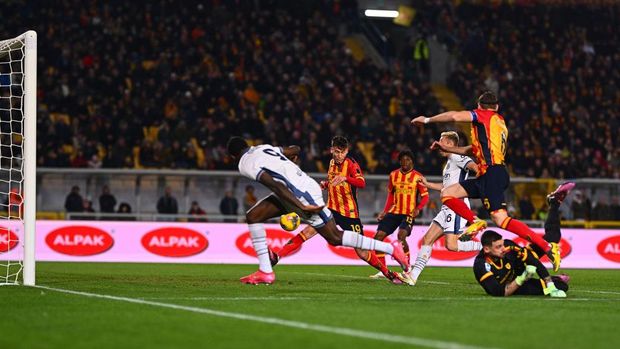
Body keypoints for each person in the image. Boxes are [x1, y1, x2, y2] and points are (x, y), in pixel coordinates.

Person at [411, 91, 562, 271]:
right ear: (497, 106)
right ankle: (475, 220)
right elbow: (472, 150)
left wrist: (427, 120)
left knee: (501, 219)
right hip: (487, 173)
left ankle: (547, 247)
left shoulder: (482, 115)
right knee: (447, 193)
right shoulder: (499, 123)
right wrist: (445, 147)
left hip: (492, 172)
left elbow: (454, 115)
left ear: (479, 106)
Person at [226, 136, 409, 285]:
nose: (337, 155)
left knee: (336, 238)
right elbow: (295, 149)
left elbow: (274, 185)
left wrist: (301, 206)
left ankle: (389, 249)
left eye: (340, 151)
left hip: (309, 198)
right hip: (310, 194)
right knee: (254, 215)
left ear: (233, 156)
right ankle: (267, 268)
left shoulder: (244, 163)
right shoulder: (262, 147)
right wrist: (290, 162)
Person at [473, 182, 575, 297]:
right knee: (562, 286)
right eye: (498, 247)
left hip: (520, 266)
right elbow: (500, 292)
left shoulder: (507, 246)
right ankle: (555, 279)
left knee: (553, 237)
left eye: (501, 245)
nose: (503, 249)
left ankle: (554, 202)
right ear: (486, 249)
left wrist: (549, 283)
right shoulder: (481, 266)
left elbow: (532, 260)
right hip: (515, 284)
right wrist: (522, 278)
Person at [407, 131, 481, 285]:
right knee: (427, 239)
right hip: (446, 207)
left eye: (442, 142)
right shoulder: (448, 163)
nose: (439, 145)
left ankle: (484, 246)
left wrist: (480, 174)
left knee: (451, 245)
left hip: (457, 208)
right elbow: (445, 186)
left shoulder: (457, 157)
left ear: (450, 144)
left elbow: (473, 165)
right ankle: (412, 276)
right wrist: (428, 184)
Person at [369, 149, 428, 279]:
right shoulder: (393, 175)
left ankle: (407, 267)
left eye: (408, 159)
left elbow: (425, 197)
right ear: (399, 161)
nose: (405, 162)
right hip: (394, 212)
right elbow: (390, 195)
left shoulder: (418, 177)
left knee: (401, 237)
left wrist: (418, 208)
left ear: (412, 161)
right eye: (402, 159)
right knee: (378, 237)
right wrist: (384, 212)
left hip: (408, 213)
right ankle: (382, 269)